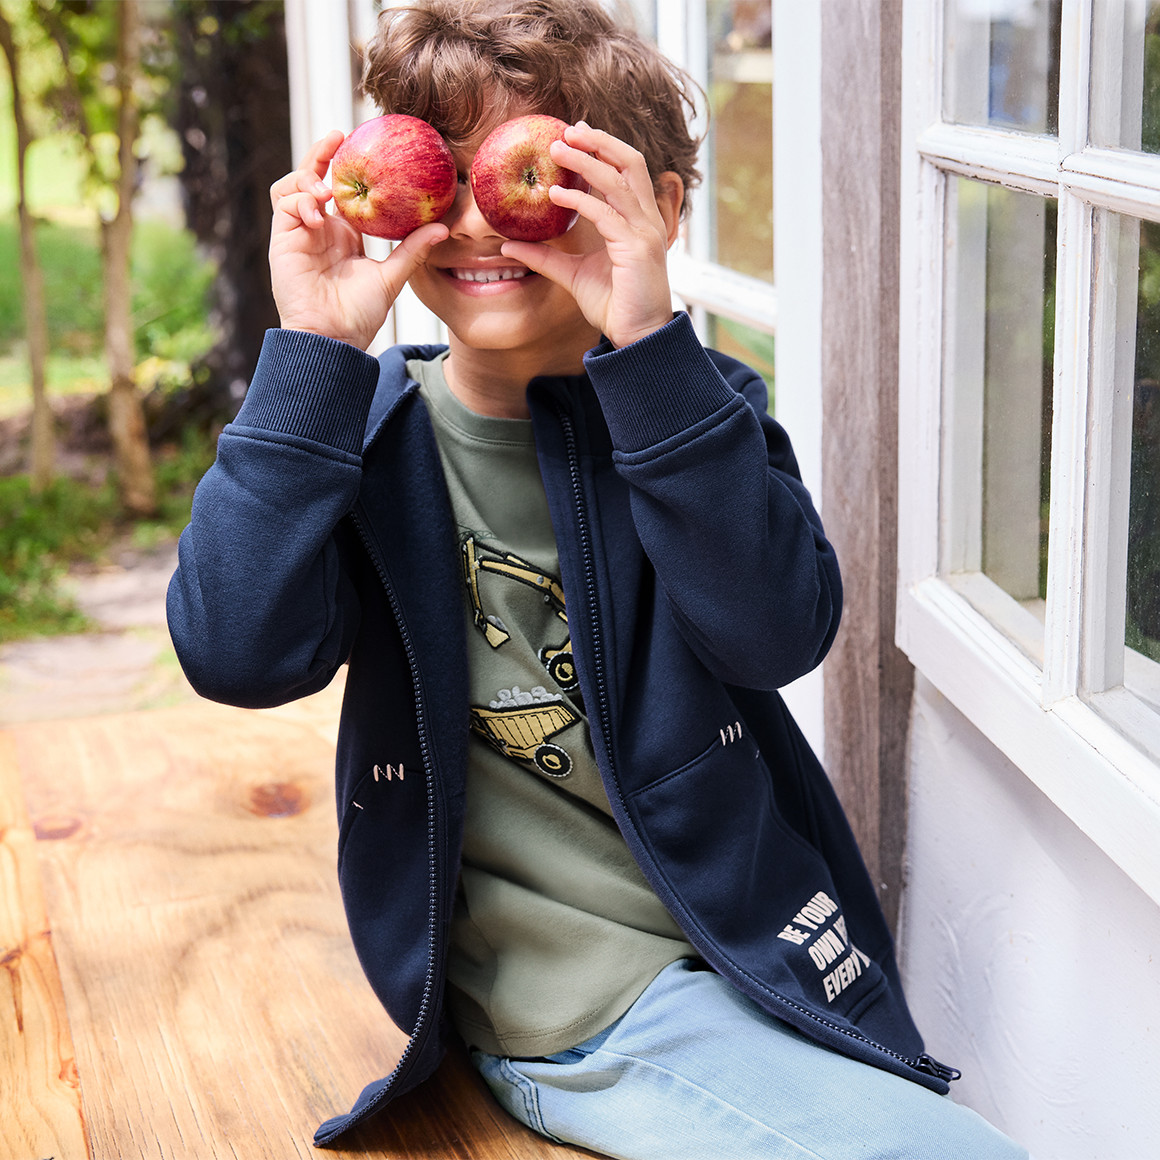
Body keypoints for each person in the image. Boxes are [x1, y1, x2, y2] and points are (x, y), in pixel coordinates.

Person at [167, 2, 1028, 1157]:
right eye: (449, 177)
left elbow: (775, 632)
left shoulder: (695, 411)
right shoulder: (357, 442)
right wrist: (312, 360)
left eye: (540, 177)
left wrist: (647, 340)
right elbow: (233, 650)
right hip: (573, 1003)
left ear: (660, 207)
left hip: (750, 940)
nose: (483, 219)